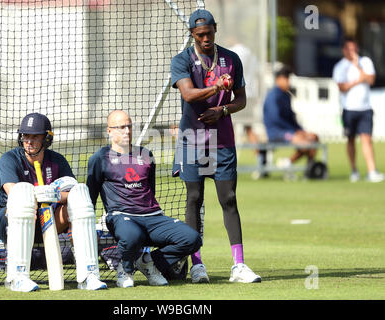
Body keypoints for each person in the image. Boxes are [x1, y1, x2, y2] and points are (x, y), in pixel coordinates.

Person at [170, 9, 261, 284]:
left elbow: (241, 99)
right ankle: (197, 264)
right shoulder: (182, 60)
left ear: (215, 28)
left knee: (229, 199)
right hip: (193, 140)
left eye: (209, 32)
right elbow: (187, 94)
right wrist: (216, 87)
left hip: (221, 139)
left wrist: (221, 110)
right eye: (200, 35)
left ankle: (239, 265)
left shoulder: (231, 59)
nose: (206, 38)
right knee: (194, 199)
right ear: (192, 35)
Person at [86, 110, 202, 288]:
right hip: (121, 216)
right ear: (109, 131)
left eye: (129, 126)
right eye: (121, 127)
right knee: (132, 236)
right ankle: (125, 269)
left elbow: (150, 190)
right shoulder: (99, 158)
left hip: (153, 216)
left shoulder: (146, 155)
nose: (127, 131)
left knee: (192, 238)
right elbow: (91, 196)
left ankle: (149, 262)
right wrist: (86, 229)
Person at [0, 112, 107, 292]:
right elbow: (12, 191)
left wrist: (54, 195)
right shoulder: (10, 158)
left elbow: (71, 191)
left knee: (81, 194)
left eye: (34, 137)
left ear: (46, 139)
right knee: (22, 194)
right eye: (25, 136)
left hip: (47, 221)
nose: (28, 141)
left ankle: (88, 275)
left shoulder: (57, 160)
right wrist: (38, 194)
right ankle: (18, 277)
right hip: (11, 221)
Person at [332, 38, 384, 183]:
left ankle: (371, 170)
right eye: (349, 49)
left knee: (366, 139)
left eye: (354, 48)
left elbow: (371, 80)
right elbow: (342, 87)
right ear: (344, 50)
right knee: (350, 140)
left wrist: (359, 68)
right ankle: (354, 170)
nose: (353, 52)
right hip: (349, 108)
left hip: (365, 108)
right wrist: (358, 80)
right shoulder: (340, 67)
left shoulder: (365, 62)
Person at [263, 66, 319, 168]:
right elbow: (276, 119)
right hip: (276, 132)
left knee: (314, 137)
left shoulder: (286, 96)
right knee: (305, 144)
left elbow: (291, 118)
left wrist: (301, 130)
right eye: (286, 79)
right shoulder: (273, 96)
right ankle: (292, 164)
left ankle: (295, 165)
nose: (289, 82)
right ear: (278, 79)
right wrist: (295, 131)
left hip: (289, 131)